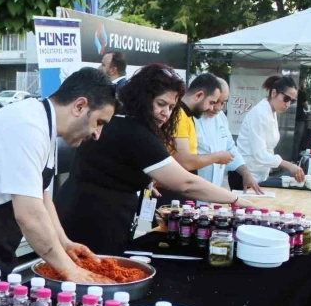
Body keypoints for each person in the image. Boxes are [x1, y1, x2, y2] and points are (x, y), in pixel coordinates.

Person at [0, 67, 117, 282]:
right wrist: (71, 272)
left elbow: (41, 195)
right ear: (80, 106)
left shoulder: (46, 124)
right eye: (99, 122)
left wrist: (64, 243)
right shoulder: (27, 126)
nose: (97, 134)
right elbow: (29, 214)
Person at [54, 64, 254, 256]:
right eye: (160, 104)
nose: (166, 113)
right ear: (142, 98)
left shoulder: (122, 122)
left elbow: (113, 165)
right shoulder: (135, 132)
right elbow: (186, 183)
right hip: (92, 224)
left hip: (83, 214)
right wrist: (236, 199)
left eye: (171, 107)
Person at [195, 77, 262, 194]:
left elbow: (230, 147)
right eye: (214, 102)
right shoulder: (191, 117)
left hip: (213, 190)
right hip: (192, 189)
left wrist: (245, 172)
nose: (217, 108)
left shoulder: (221, 117)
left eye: (223, 103)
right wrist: (216, 157)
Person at [236, 75, 305, 184]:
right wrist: (288, 165)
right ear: (273, 93)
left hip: (259, 174)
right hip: (245, 175)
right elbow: (259, 153)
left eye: (292, 101)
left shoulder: (271, 112)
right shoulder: (260, 114)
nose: (287, 104)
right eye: (286, 99)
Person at [169, 73, 233, 171]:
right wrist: (217, 157)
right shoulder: (179, 115)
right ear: (199, 95)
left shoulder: (187, 115)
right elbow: (186, 162)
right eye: (211, 102)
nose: (211, 108)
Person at [294, 77, 309, 160]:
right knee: (297, 140)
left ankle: (290, 158)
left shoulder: (290, 92)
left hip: (291, 118)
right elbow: (306, 107)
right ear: (301, 82)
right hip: (300, 118)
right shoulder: (302, 93)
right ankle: (295, 158)